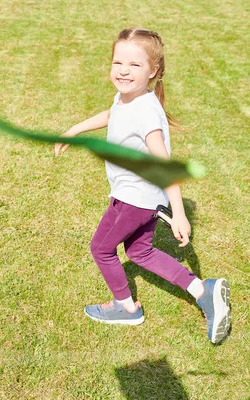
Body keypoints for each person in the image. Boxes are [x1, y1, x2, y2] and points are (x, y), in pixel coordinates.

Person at [54, 28, 231, 344]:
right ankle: (204, 291)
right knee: (139, 252)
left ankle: (126, 308)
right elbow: (113, 114)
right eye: (117, 62)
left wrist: (179, 214)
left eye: (134, 65)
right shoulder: (130, 98)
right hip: (141, 196)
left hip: (134, 198)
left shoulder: (146, 111)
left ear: (154, 71)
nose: (123, 70)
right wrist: (75, 129)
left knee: (102, 248)